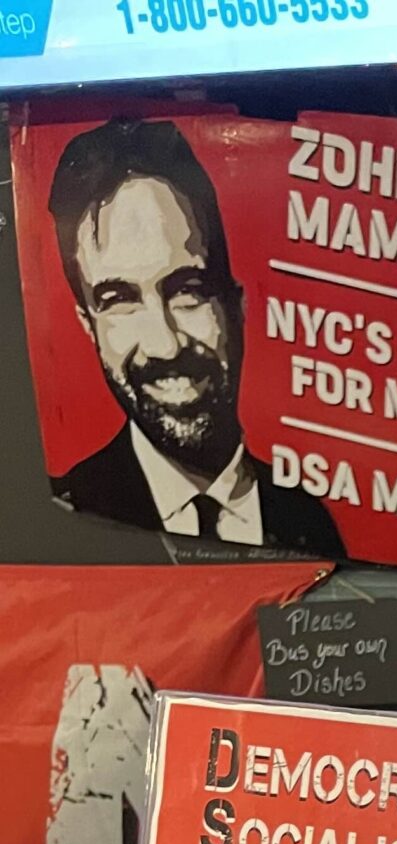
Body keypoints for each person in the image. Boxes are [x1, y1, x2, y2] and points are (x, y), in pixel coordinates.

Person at [45, 118, 344, 559]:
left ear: (235, 305)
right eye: (120, 301)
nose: (164, 345)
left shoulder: (310, 520)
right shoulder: (65, 520)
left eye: (187, 291)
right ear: (89, 324)